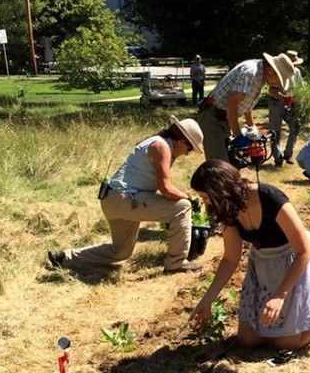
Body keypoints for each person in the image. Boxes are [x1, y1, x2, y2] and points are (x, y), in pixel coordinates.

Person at [188, 160, 310, 350]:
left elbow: (303, 250)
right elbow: (231, 258)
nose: (206, 203)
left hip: (294, 260)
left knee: (286, 344)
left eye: (206, 197)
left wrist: (280, 296)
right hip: (263, 265)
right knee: (248, 340)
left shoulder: (270, 198)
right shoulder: (226, 209)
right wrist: (207, 301)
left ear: (219, 191)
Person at [47, 117, 204, 274]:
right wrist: (187, 197)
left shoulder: (158, 142)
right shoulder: (161, 146)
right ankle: (176, 263)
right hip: (126, 198)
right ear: (182, 140)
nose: (188, 154)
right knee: (182, 207)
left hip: (112, 199)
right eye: (189, 149)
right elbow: (166, 189)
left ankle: (64, 257)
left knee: (121, 252)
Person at [196, 53, 296, 161]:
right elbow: (231, 105)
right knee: (220, 166)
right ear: (272, 70)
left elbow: (247, 103)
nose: (277, 84)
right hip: (212, 118)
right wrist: (238, 135)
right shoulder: (250, 72)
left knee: (233, 163)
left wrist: (252, 127)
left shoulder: (260, 75)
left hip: (222, 119)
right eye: (279, 80)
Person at [269, 49, 304, 167]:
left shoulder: (297, 72)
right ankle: (277, 158)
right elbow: (272, 91)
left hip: (291, 105)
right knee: (275, 131)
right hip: (276, 103)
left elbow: (300, 88)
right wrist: (284, 98)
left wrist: (299, 99)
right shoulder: (277, 72)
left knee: (295, 127)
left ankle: (288, 154)